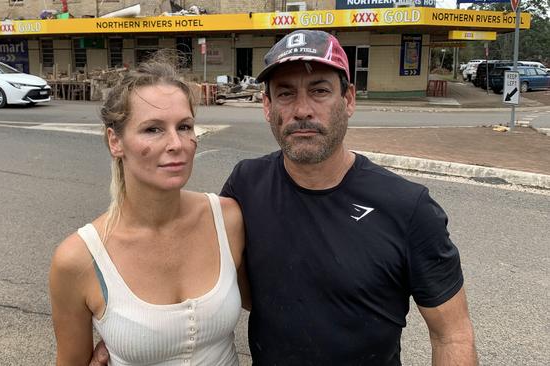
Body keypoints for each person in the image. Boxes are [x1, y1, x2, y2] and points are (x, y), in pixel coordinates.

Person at [91, 30, 476, 365]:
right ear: (267, 107)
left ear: (349, 100)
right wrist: (128, 333)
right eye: (285, 94)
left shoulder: (407, 208)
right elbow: (195, 265)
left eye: (320, 90)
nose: (302, 110)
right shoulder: (246, 184)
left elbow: (452, 334)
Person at [50, 54, 246, 365]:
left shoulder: (228, 219)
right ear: (115, 141)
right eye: (153, 129)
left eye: (184, 126)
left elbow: (273, 302)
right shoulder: (78, 259)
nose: (176, 144)